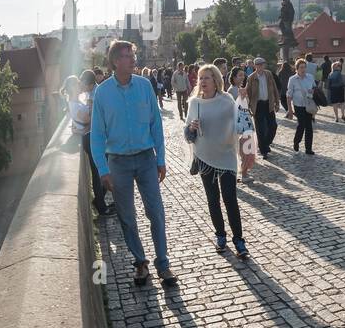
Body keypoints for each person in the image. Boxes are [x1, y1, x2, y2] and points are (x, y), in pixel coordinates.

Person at [90, 40, 176, 287]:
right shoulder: (103, 92)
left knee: (156, 213)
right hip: (118, 162)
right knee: (127, 216)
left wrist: (160, 159)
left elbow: (155, 126)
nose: (132, 59)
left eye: (133, 55)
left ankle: (163, 264)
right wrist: (103, 169)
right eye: (127, 56)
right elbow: (97, 135)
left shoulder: (144, 86)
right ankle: (140, 263)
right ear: (115, 61)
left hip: (146, 159)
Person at [186, 64, 252, 258]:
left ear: (216, 80)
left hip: (226, 156)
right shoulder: (194, 103)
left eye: (207, 78)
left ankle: (239, 240)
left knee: (230, 199)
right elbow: (187, 135)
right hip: (204, 157)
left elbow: (242, 123)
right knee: (213, 199)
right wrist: (191, 127)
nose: (203, 82)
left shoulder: (226, 100)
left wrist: (244, 101)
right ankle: (220, 236)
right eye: (200, 78)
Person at [64, 73, 113, 216]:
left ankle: (99, 201)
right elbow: (89, 118)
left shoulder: (77, 101)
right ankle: (101, 206)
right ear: (73, 87)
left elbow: (88, 120)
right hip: (89, 139)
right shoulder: (74, 104)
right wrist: (91, 115)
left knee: (101, 170)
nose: (80, 85)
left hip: (91, 136)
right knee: (99, 172)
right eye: (78, 83)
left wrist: (88, 120)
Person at [245, 56, 280, 159]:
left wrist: (277, 102)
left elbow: (274, 88)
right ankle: (264, 150)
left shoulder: (268, 74)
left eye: (262, 64)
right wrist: (249, 106)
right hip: (258, 105)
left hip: (268, 103)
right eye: (258, 65)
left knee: (273, 126)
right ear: (255, 66)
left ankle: (266, 143)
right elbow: (248, 93)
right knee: (260, 129)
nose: (261, 66)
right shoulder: (251, 77)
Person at [287, 58, 318, 155]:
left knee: (309, 126)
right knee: (301, 125)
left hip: (308, 105)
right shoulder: (292, 79)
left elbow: (314, 88)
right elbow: (289, 95)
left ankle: (308, 148)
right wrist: (290, 109)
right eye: (301, 67)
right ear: (297, 69)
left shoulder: (310, 77)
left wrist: (312, 91)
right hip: (298, 105)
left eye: (304, 67)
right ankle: (296, 141)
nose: (303, 69)